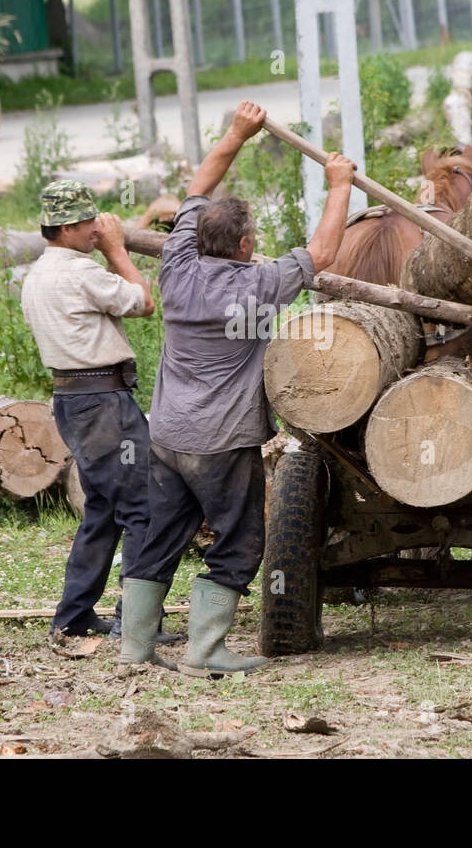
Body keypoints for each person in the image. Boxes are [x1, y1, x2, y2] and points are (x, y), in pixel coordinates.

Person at [118, 101, 355, 675]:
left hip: (169, 435)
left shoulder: (176, 263)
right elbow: (322, 254)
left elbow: (199, 183)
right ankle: (205, 651)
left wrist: (236, 134)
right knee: (240, 540)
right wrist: (340, 185)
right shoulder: (260, 283)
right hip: (223, 443)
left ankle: (134, 650)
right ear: (246, 245)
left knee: (159, 536)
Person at [20, 181, 156, 641]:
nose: (96, 231)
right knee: (142, 508)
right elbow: (143, 302)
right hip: (104, 403)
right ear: (66, 227)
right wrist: (119, 251)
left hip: (72, 401)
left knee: (101, 508)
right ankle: (135, 624)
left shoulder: (37, 274)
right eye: (88, 225)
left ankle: (75, 616)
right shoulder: (81, 273)